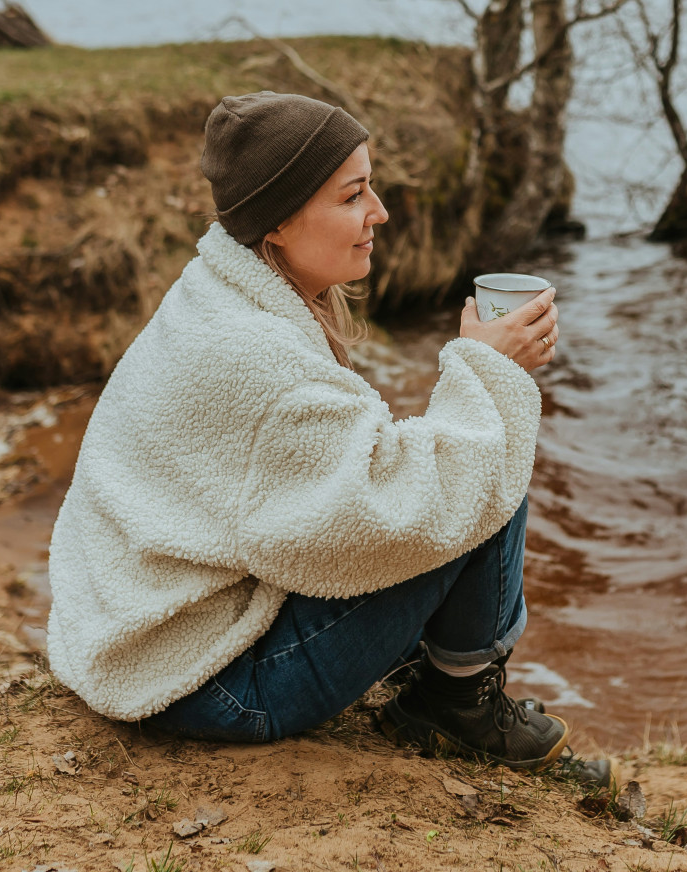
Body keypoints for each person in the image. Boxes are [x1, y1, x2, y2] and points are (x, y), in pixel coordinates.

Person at [47, 90, 605, 778]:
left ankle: (438, 671)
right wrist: (489, 371)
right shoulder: (260, 360)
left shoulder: (214, 291)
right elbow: (409, 507)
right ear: (278, 221)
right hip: (207, 685)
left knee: (465, 448)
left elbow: (306, 505)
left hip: (128, 640)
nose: (380, 212)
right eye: (352, 195)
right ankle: (459, 705)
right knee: (482, 456)